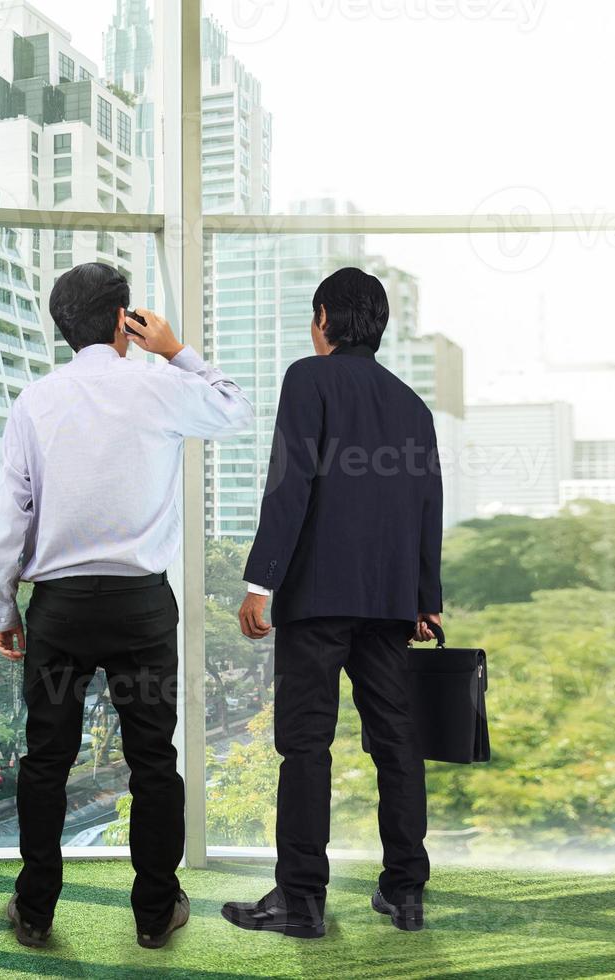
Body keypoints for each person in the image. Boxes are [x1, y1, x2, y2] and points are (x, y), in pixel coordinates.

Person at [0, 262, 253, 950]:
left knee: (44, 762)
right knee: (152, 761)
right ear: (121, 319)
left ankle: (35, 910)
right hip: (138, 609)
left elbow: (9, 519)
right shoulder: (159, 384)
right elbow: (235, 409)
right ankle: (155, 913)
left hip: (59, 611)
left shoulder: (34, 401)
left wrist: (4, 610)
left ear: (60, 327)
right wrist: (175, 350)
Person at [222, 267, 443, 938]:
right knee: (397, 745)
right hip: (388, 605)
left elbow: (288, 486)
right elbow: (427, 507)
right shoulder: (413, 404)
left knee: (305, 747)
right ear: (375, 324)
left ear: (323, 318)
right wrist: (425, 599)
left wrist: (260, 581)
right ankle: (404, 893)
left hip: (315, 600)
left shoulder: (307, 378)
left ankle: (301, 901)